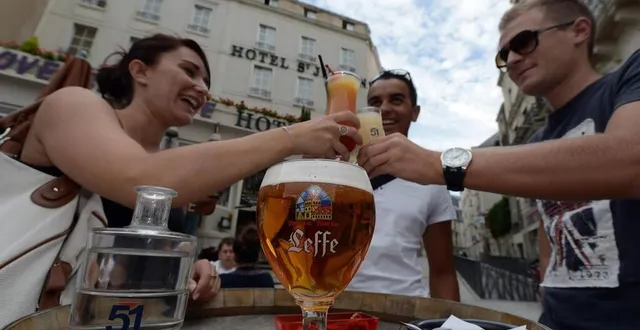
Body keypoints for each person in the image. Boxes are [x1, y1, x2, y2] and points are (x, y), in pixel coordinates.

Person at [357, 1, 640, 329]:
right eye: (504, 56)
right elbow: (551, 240)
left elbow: (629, 159)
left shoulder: (630, 77)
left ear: (579, 30)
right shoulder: (537, 144)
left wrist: (439, 163)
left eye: (523, 42)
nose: (514, 60)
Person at [15, 34, 361, 302]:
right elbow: (140, 179)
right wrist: (291, 137)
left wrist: (191, 272)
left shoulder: (172, 162)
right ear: (140, 70)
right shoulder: (73, 104)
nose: (202, 88)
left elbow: (141, 257)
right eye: (189, 71)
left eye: (206, 81)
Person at [346, 69, 460, 301]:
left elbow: (443, 272)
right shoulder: (340, 171)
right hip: (337, 314)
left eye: (396, 100)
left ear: (415, 112)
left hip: (406, 313)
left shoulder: (432, 180)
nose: (385, 108)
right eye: (375, 102)